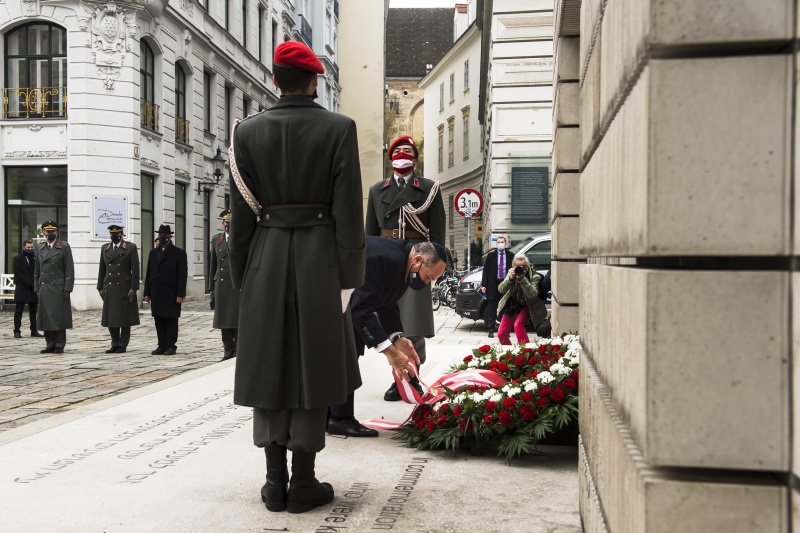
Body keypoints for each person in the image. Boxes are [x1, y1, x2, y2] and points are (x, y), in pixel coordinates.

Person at [228, 41, 366, 515]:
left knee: (270, 363)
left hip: (266, 256)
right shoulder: (339, 129)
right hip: (320, 258)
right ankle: (303, 482)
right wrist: (350, 277)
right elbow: (349, 210)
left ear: (274, 80)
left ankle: (273, 483)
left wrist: (244, 277)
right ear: (315, 82)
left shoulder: (245, 133)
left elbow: (241, 217)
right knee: (315, 363)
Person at [327, 237, 447, 438]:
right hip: (333, 298)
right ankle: (339, 418)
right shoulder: (388, 260)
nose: (427, 283)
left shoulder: (403, 263)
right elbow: (360, 309)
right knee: (346, 354)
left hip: (345, 302)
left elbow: (385, 302)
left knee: (347, 355)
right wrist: (389, 352)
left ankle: (332, 416)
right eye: (428, 277)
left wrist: (398, 338)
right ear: (417, 260)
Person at [365, 135, 445, 402]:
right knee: (388, 320)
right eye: (397, 150)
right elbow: (370, 232)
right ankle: (396, 375)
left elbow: (438, 237)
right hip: (386, 260)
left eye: (407, 150)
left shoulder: (430, 189)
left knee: (413, 323)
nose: (402, 154)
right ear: (391, 158)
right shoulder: (377, 190)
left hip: (418, 258)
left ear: (416, 158)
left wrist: (434, 266)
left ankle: (412, 377)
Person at [142, 224, 187, 355]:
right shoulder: (153, 253)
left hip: (171, 292)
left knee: (171, 320)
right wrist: (147, 293)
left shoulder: (179, 253)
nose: (162, 238)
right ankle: (161, 344)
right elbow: (149, 273)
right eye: (160, 236)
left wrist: (180, 293)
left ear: (170, 237)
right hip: (156, 291)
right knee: (159, 320)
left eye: (165, 236)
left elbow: (182, 275)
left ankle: (171, 345)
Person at [97, 225, 140, 353]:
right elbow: (102, 270)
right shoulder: (105, 248)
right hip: (109, 287)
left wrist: (134, 288)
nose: (114, 236)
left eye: (117, 234)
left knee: (125, 318)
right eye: (112, 234)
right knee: (111, 318)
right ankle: (114, 342)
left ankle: (123, 344)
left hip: (124, 287)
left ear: (122, 234)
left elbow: (135, 270)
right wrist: (100, 287)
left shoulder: (130, 248)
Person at [34, 221, 74, 354]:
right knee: (46, 317)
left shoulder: (63, 247)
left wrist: (68, 288)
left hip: (58, 287)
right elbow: (37, 271)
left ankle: (59, 344)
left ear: (56, 232)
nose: (50, 233)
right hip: (44, 287)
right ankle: (49, 343)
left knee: (58, 317)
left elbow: (69, 269)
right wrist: (37, 288)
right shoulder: (40, 248)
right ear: (43, 233)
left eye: (52, 231)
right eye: (47, 231)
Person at [207, 209, 240, 361]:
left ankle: (239, 349)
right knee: (224, 320)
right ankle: (228, 350)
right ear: (222, 223)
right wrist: (211, 290)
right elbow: (213, 265)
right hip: (221, 285)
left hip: (237, 285)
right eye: (226, 223)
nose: (229, 226)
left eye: (231, 223)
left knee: (237, 319)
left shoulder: (241, 238)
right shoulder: (216, 240)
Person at [496, 255, 547, 346]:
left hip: (526, 307)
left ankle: (525, 351)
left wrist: (523, 279)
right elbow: (501, 290)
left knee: (518, 326)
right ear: (513, 267)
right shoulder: (511, 273)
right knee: (501, 334)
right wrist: (510, 279)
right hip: (513, 305)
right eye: (517, 267)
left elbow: (532, 294)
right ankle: (509, 353)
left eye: (522, 267)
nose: (519, 269)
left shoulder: (534, 276)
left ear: (527, 267)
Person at [480, 235, 514, 338]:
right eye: (498, 242)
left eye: (502, 242)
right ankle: (491, 329)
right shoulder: (491, 256)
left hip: (505, 283)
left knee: (505, 308)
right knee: (492, 308)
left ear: (506, 244)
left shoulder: (510, 255)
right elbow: (486, 270)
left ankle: (504, 330)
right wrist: (484, 285)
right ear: (496, 244)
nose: (500, 244)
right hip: (493, 284)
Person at [12, 240, 42, 339]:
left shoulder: (36, 258)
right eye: (28, 247)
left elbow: (38, 272)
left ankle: (34, 330)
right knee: (18, 311)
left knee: (33, 311)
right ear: (23, 247)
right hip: (22, 287)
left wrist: (34, 283)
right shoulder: (17, 258)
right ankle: (17, 331)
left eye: (31, 248)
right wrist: (28, 283)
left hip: (33, 288)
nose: (30, 249)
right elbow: (18, 273)